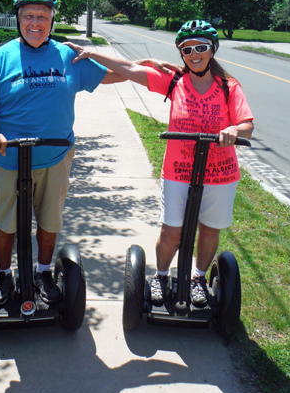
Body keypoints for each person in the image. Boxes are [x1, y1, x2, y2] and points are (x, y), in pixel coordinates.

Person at [67, 20, 254, 308]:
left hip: (220, 173)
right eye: (187, 49)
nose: (194, 54)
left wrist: (233, 131)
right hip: (178, 170)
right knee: (172, 230)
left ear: (212, 50)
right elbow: (129, 70)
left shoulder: (229, 87)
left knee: (209, 229)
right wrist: (91, 53)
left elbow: (247, 125)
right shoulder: (175, 81)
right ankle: (162, 276)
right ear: (181, 53)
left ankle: (198, 279)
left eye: (201, 47)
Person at [0, 0, 128, 306]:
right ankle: (2, 275)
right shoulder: (1, 58)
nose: (36, 23)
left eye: (43, 16)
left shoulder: (68, 56)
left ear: (53, 19)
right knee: (6, 224)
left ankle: (43, 272)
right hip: (9, 158)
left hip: (55, 157)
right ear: (18, 19)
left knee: (50, 221)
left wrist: (142, 69)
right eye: (29, 16)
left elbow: (111, 75)